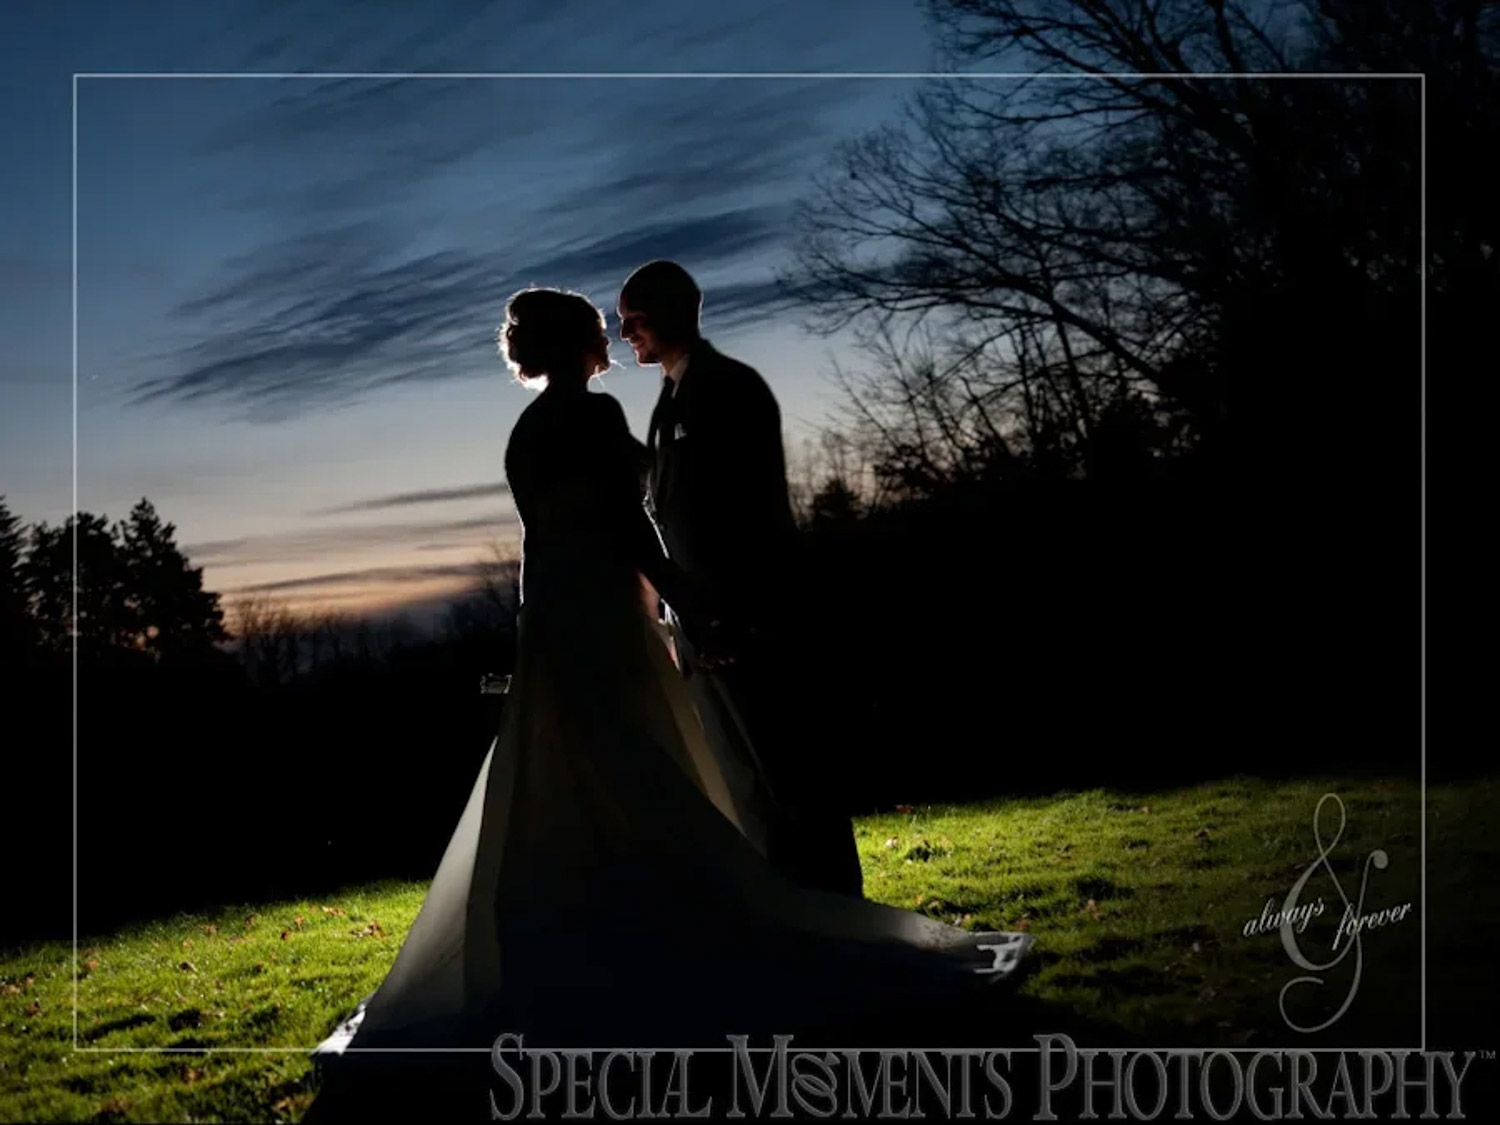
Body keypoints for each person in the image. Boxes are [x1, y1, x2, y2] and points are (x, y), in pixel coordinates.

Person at [302, 288, 1030, 1121]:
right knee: (639, 763)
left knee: (578, 776)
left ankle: (581, 926)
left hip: (557, 625)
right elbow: (627, 532)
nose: (614, 336)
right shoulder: (596, 417)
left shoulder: (529, 430)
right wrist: (684, 600)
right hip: (608, 622)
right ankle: (673, 921)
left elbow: (548, 544)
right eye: (599, 326)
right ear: (580, 342)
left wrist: (548, 630)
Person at [618, 259, 864, 897]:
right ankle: (794, 916)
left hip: (747, 619)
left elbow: (752, 514)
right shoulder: (673, 395)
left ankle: (837, 912)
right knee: (746, 785)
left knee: (790, 777)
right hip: (704, 626)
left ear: (668, 313)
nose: (626, 337)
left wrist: (735, 615)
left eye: (633, 321)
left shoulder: (728, 388)